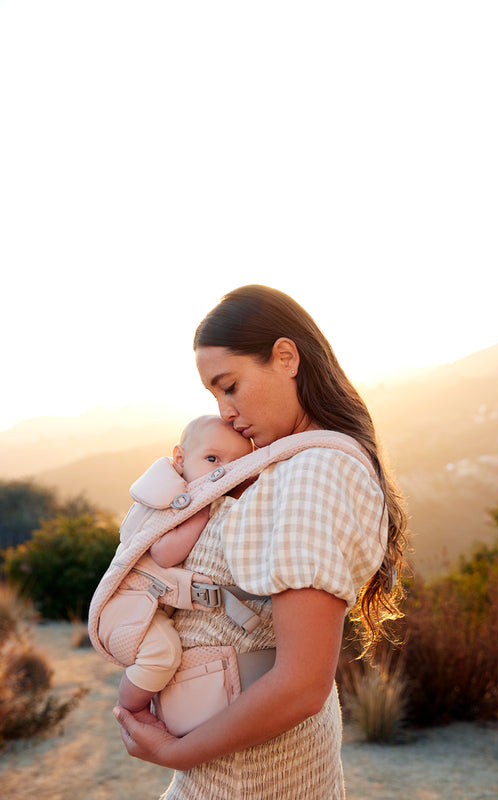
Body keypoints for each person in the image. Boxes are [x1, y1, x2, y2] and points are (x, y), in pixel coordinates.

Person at [113, 285, 407, 800]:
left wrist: (173, 752)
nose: (225, 411)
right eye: (214, 396)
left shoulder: (315, 471)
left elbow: (300, 685)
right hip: (231, 767)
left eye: (230, 386)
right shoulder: (282, 467)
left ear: (286, 357)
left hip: (257, 778)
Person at [101, 415, 253, 720]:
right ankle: (131, 712)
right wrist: (201, 513)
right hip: (127, 606)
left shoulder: (194, 491)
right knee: (162, 655)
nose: (222, 472)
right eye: (212, 459)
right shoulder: (175, 499)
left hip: (149, 606)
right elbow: (164, 553)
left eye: (237, 466)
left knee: (168, 659)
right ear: (180, 459)